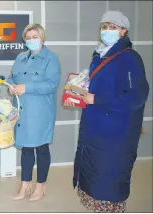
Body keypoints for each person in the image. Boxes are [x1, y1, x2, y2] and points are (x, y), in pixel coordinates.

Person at [64, 11, 150, 212]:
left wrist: (98, 99)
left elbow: (137, 96)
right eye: (104, 26)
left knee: (109, 183)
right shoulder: (100, 55)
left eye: (113, 27)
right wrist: (77, 94)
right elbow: (96, 89)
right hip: (95, 129)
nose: (107, 31)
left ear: (123, 31)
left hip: (114, 135)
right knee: (93, 181)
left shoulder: (129, 58)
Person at [8, 24, 61, 202]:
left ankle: (40, 185)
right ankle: (25, 184)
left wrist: (27, 87)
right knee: (26, 148)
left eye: (35, 36)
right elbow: (12, 77)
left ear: (42, 38)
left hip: (41, 112)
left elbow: (52, 84)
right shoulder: (20, 57)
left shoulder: (51, 58)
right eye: (28, 37)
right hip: (22, 111)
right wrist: (10, 87)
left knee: (41, 148)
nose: (31, 40)